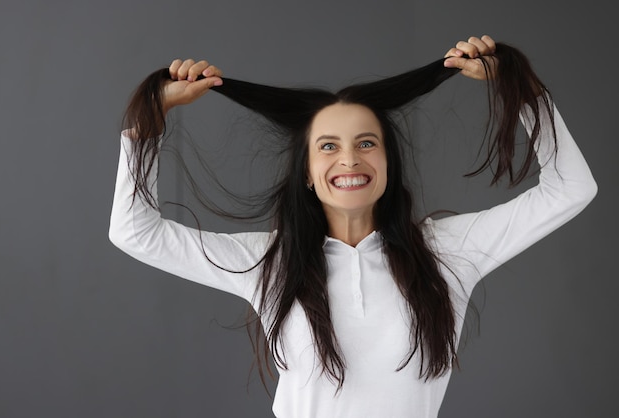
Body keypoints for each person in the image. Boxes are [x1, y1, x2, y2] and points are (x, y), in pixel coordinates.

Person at [109, 35, 597, 417]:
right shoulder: (268, 261)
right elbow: (135, 232)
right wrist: (150, 120)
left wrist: (522, 90)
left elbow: (570, 188)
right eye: (328, 146)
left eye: (367, 143)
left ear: (388, 162)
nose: (349, 159)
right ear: (306, 171)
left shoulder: (449, 251)